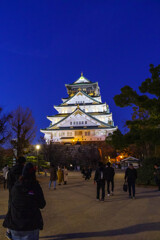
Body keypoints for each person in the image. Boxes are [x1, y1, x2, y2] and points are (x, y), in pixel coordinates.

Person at [3, 162, 46, 240]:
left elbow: (12, 201)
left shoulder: (16, 186)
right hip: (30, 225)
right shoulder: (35, 186)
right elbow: (42, 204)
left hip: (15, 224)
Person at [6, 156, 26, 239]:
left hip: (12, 193)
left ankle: (9, 231)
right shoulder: (23, 170)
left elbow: (8, 183)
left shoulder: (11, 170)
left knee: (11, 211)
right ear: (23, 162)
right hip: (21, 194)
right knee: (22, 212)